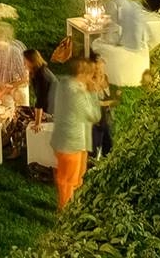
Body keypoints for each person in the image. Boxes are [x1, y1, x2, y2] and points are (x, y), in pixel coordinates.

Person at [50, 59, 101, 210]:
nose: (92, 79)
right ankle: (65, 213)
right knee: (68, 180)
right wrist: (92, 93)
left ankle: (72, 204)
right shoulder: (76, 95)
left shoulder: (64, 84)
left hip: (70, 141)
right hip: (72, 143)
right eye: (91, 75)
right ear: (83, 74)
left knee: (75, 178)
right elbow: (94, 116)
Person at [22, 48, 57, 128]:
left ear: (31, 61)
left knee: (21, 121)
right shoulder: (39, 70)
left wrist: (37, 123)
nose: (24, 63)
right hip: (48, 107)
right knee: (19, 110)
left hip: (52, 113)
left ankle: (22, 138)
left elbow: (40, 101)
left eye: (25, 60)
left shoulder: (41, 76)